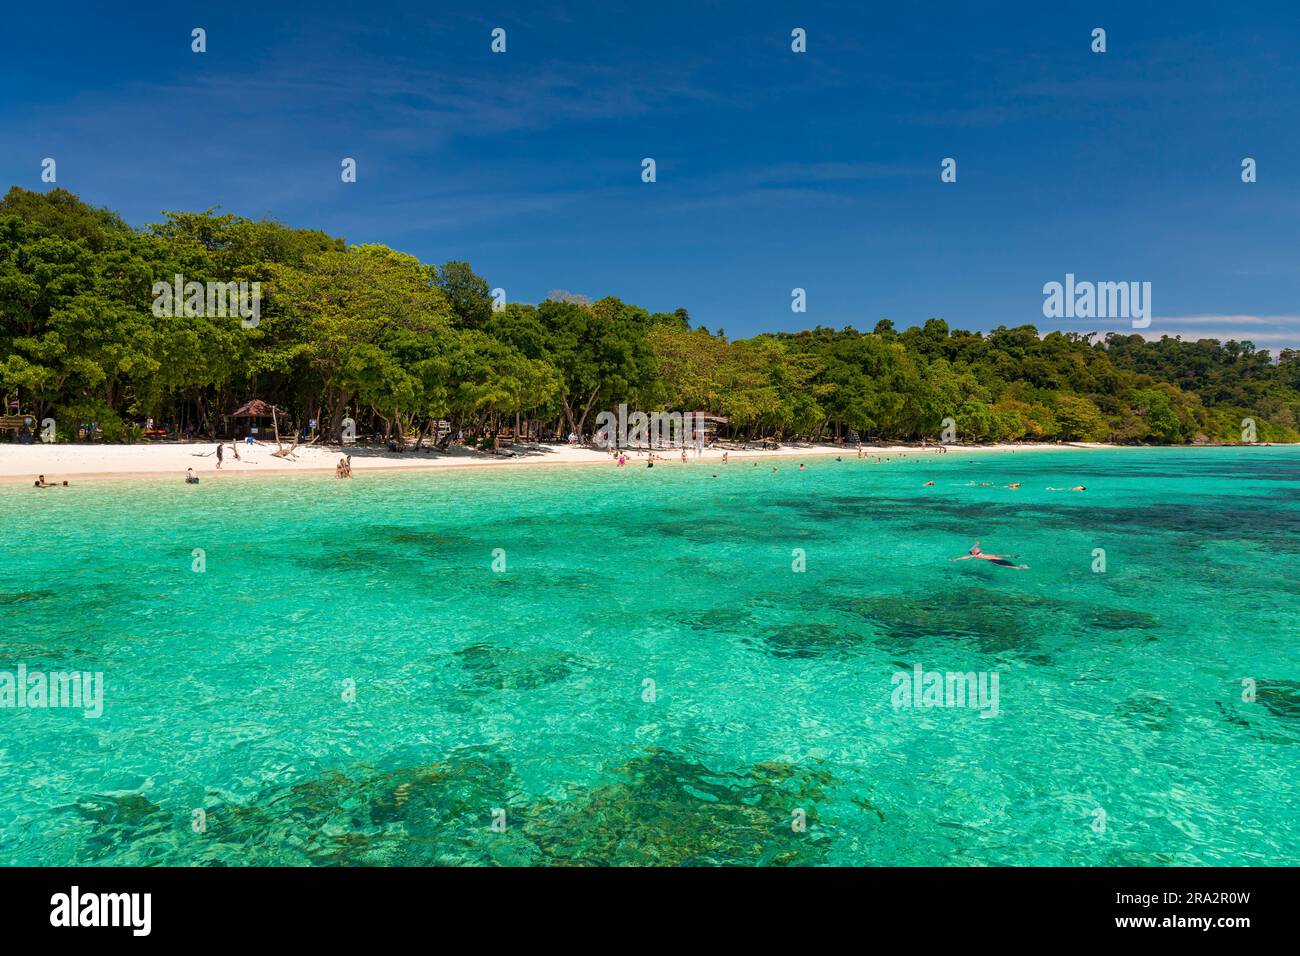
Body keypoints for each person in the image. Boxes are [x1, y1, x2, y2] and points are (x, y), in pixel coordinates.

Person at [951, 541, 1028, 569]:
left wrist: (1012, 556)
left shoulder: (987, 554)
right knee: (1012, 567)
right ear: (974, 552)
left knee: (1011, 564)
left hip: (1000, 559)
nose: (977, 548)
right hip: (994, 561)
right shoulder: (977, 556)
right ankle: (1020, 567)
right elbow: (967, 556)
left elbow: (1001, 555)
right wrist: (956, 559)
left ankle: (1021, 567)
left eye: (978, 548)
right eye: (975, 549)